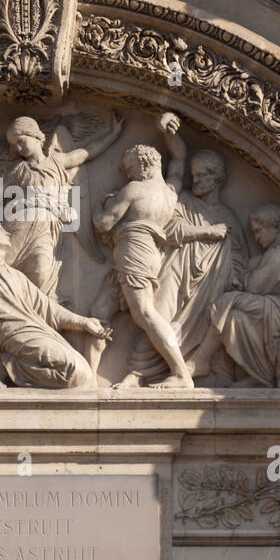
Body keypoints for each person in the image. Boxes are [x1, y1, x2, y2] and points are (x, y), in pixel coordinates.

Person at [85, 114, 227, 388]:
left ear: (142, 165)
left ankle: (180, 374)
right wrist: (169, 134)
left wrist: (98, 205)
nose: (126, 172)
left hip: (132, 254)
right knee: (100, 308)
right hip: (139, 256)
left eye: (128, 167)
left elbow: (104, 223)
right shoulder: (169, 191)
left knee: (145, 314)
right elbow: (179, 158)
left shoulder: (134, 189)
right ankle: (88, 382)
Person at [120, 135, 245, 387]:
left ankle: (183, 370)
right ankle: (139, 372)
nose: (195, 180)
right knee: (157, 312)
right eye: (194, 175)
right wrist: (207, 232)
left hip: (210, 283)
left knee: (177, 320)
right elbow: (169, 229)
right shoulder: (184, 201)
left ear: (217, 179)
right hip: (177, 268)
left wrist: (235, 277)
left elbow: (238, 256)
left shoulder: (228, 216)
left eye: (202, 176)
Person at [0, 220, 110, 389]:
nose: (7, 232)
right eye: (0, 229)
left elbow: (48, 309)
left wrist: (84, 322)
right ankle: (6, 369)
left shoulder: (16, 276)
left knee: (83, 374)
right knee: (77, 374)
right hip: (11, 337)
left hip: (34, 332)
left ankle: (10, 368)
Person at [0, 113, 124, 296]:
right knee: (7, 271)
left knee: (40, 270)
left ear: (36, 136)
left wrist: (113, 135)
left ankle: (37, 312)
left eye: (21, 140)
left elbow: (86, 152)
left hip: (45, 228)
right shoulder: (18, 171)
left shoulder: (57, 161)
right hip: (20, 226)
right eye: (15, 145)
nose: (19, 147)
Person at [207, 204, 280, 386]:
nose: (257, 238)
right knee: (236, 318)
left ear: (273, 226)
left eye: (259, 231)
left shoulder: (278, 254)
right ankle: (257, 376)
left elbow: (254, 286)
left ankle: (200, 360)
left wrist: (242, 279)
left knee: (228, 301)